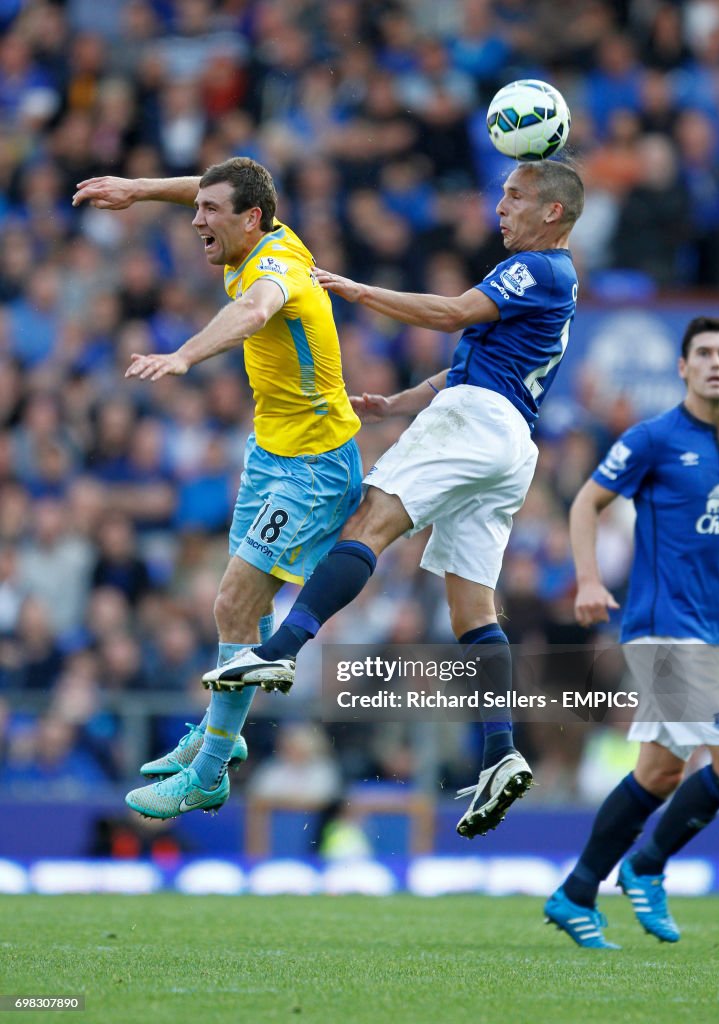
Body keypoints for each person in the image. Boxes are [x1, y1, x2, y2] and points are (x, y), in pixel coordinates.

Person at [202, 160, 585, 839]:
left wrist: (357, 290)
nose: (500, 206)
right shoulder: (557, 285)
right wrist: (397, 404)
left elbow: (453, 314)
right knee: (473, 607)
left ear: (553, 213)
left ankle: (284, 646)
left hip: (476, 421)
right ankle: (501, 752)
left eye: (515, 196)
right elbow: (478, 354)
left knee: (370, 520)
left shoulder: (541, 268)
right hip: (511, 444)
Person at [72, 157, 363, 819]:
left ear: (251, 218)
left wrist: (184, 355)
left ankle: (208, 770)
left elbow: (256, 311)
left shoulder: (275, 269)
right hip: (270, 451)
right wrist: (138, 189)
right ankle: (219, 738)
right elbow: (201, 192)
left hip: (314, 467)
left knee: (234, 599)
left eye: (210, 212)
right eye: (198, 208)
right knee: (240, 608)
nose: (197, 219)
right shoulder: (253, 230)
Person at [545, 315, 719, 949]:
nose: (716, 363)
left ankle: (577, 892)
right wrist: (591, 580)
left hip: (707, 631)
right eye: (704, 353)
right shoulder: (654, 438)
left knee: (659, 773)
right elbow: (584, 503)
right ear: (681, 368)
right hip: (662, 626)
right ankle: (646, 866)